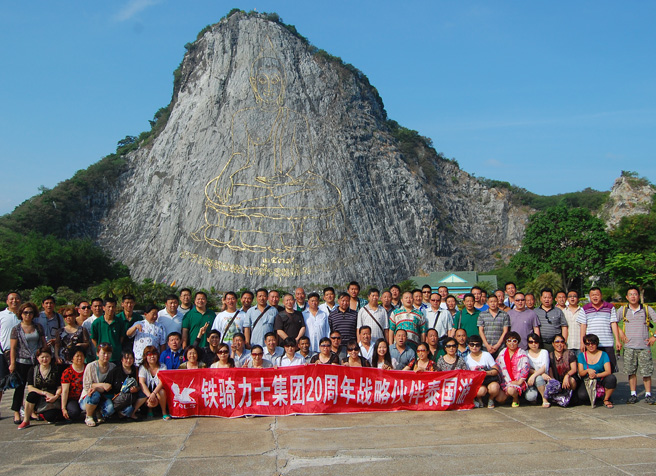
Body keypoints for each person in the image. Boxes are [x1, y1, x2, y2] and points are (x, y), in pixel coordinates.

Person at [9, 302, 47, 424]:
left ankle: (32, 411)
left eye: (30, 312)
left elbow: (43, 343)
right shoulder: (16, 329)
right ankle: (16, 412)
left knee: (34, 387)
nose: (28, 315)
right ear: (21, 314)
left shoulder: (38, 327)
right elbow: (13, 348)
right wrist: (12, 363)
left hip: (35, 361)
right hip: (21, 361)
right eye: (25, 312)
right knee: (20, 388)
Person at [619, 287, 656, 404]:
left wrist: (654, 336)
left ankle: (648, 394)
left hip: (644, 346)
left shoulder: (646, 309)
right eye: (630, 294)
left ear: (639, 296)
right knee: (631, 372)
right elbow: (613, 322)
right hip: (629, 346)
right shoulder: (623, 310)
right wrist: (621, 334)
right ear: (627, 297)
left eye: (635, 294)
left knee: (646, 372)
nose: (633, 296)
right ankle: (633, 394)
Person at [577, 287, 620, 373]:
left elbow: (613, 323)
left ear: (601, 295)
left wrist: (617, 340)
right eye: (592, 295)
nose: (595, 297)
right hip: (591, 344)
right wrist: (582, 343)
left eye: (597, 295)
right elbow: (583, 326)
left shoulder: (610, 307)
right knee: (593, 368)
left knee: (609, 370)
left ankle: (608, 386)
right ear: (589, 296)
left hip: (607, 342)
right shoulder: (585, 309)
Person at [17, 347, 62, 429]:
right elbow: (30, 387)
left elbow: (59, 386)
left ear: (50, 357)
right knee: (31, 395)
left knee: (51, 417)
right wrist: (44, 393)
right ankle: (26, 420)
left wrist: (55, 396)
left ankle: (40, 413)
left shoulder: (56, 369)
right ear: (38, 358)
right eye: (42, 357)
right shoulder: (33, 369)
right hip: (39, 395)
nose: (45, 359)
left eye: (47, 357)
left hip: (51, 398)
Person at [577, 334, 617, 408]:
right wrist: (587, 371)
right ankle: (597, 397)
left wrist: (597, 375)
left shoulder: (604, 354)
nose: (590, 346)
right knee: (582, 395)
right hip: (588, 381)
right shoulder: (581, 356)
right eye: (588, 344)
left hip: (601, 379)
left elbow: (608, 371)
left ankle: (606, 399)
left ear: (597, 344)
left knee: (611, 378)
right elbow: (581, 373)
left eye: (593, 343)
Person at [81, 343, 116, 427]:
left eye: (108, 353)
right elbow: (87, 386)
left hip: (103, 397)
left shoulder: (113, 367)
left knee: (110, 410)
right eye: (103, 353)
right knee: (95, 394)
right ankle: (88, 416)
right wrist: (102, 385)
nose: (106, 355)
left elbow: (110, 387)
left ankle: (98, 412)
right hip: (88, 398)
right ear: (97, 354)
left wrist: (96, 387)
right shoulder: (91, 366)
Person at [495, 332, 530, 407]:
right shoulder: (502, 352)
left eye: (514, 341)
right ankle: (508, 397)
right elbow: (497, 365)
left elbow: (526, 368)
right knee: (499, 399)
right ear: (506, 342)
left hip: (517, 381)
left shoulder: (521, 353)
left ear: (518, 342)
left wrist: (519, 381)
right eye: (509, 341)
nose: (512, 343)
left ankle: (515, 398)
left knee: (511, 390)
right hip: (505, 381)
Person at [464, 335, 500, 408]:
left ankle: (491, 399)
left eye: (477, 345)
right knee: (481, 391)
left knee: (494, 387)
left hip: (489, 379)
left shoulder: (486, 355)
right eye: (472, 344)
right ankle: (479, 399)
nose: (474, 347)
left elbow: (496, 370)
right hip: (477, 382)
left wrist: (486, 373)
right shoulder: (466, 359)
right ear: (468, 345)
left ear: (481, 346)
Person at [109, 349, 146, 419]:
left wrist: (136, 389)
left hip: (131, 399)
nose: (128, 361)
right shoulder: (115, 371)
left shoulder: (136, 370)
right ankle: (116, 412)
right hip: (118, 399)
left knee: (129, 410)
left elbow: (140, 385)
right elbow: (108, 385)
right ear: (121, 359)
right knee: (110, 410)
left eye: (131, 358)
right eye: (126, 358)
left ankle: (127, 413)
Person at [0, 291, 21, 411]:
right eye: (12, 299)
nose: (14, 301)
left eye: (17, 298)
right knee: (1, 384)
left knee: (20, 384)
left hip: (20, 354)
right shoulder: (2, 315)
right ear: (7, 301)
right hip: (3, 353)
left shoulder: (24, 315)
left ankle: (18, 408)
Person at [90, 298, 126, 365]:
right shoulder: (97, 323)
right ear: (103, 308)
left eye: (113, 307)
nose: (111, 309)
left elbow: (121, 338)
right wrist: (101, 348)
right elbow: (93, 339)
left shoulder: (120, 322)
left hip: (116, 356)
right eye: (109, 307)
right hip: (101, 357)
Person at [139, 345, 170, 419]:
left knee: (162, 391)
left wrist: (154, 393)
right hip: (147, 392)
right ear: (145, 356)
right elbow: (142, 383)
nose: (152, 356)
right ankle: (149, 411)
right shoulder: (142, 367)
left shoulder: (163, 366)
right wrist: (150, 396)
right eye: (149, 354)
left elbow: (162, 382)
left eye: (154, 354)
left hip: (157, 391)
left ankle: (164, 412)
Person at [547, 333, 578, 404]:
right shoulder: (550, 356)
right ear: (553, 344)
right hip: (557, 380)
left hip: (568, 378)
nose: (559, 344)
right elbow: (550, 372)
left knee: (572, 380)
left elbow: (574, 369)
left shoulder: (569, 353)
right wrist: (555, 383)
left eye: (562, 342)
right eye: (557, 342)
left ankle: (571, 397)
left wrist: (567, 376)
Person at [477, 294, 510, 358]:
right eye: (491, 302)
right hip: (486, 346)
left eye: (495, 301)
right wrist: (487, 345)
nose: (493, 304)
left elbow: (505, 331)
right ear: (487, 303)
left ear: (497, 302)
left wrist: (497, 345)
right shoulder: (482, 315)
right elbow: (481, 330)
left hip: (500, 347)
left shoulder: (504, 315)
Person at [524, 333, 551, 407]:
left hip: (543, 379)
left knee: (538, 378)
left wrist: (535, 375)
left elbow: (544, 367)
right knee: (531, 397)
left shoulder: (544, 352)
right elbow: (527, 368)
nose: (533, 344)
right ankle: (535, 396)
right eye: (531, 342)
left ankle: (544, 398)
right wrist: (537, 374)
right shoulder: (525, 353)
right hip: (531, 380)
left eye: (536, 342)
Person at [60, 346, 86, 421]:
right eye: (77, 356)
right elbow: (65, 391)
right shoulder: (67, 372)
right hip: (73, 399)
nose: (80, 358)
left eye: (81, 356)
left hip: (85, 397)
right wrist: (63, 408)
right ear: (72, 358)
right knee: (74, 412)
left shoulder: (88, 368)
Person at [563, 290, 583, 355]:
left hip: (580, 345)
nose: (572, 298)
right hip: (568, 344)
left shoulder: (582, 311)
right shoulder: (563, 312)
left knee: (580, 364)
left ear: (578, 298)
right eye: (570, 296)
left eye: (574, 296)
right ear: (567, 299)